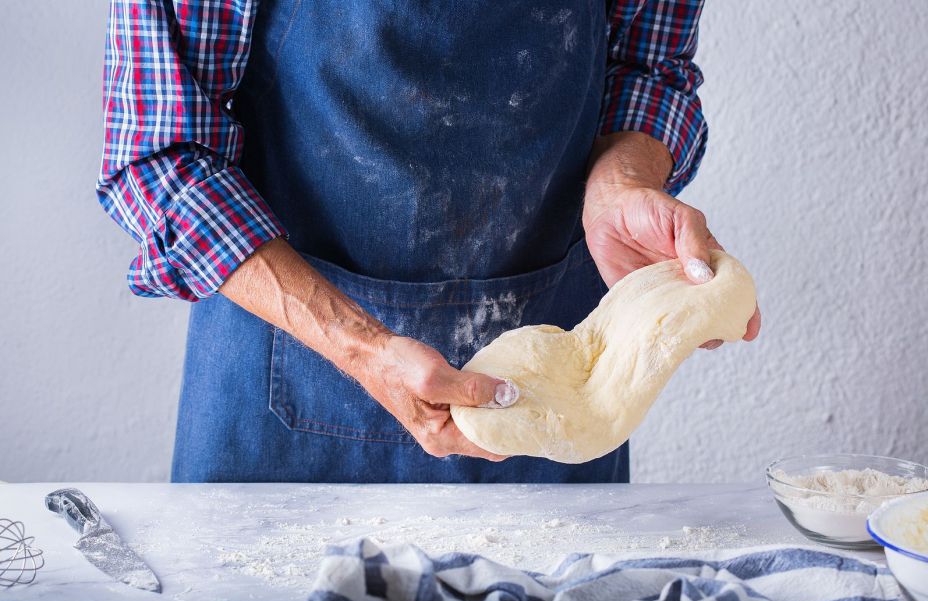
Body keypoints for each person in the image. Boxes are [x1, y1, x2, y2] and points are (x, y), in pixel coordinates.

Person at [96, 0, 760, 483]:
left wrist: (623, 183)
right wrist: (361, 345)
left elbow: (645, 65)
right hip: (285, 396)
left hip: (552, 410)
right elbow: (160, 153)